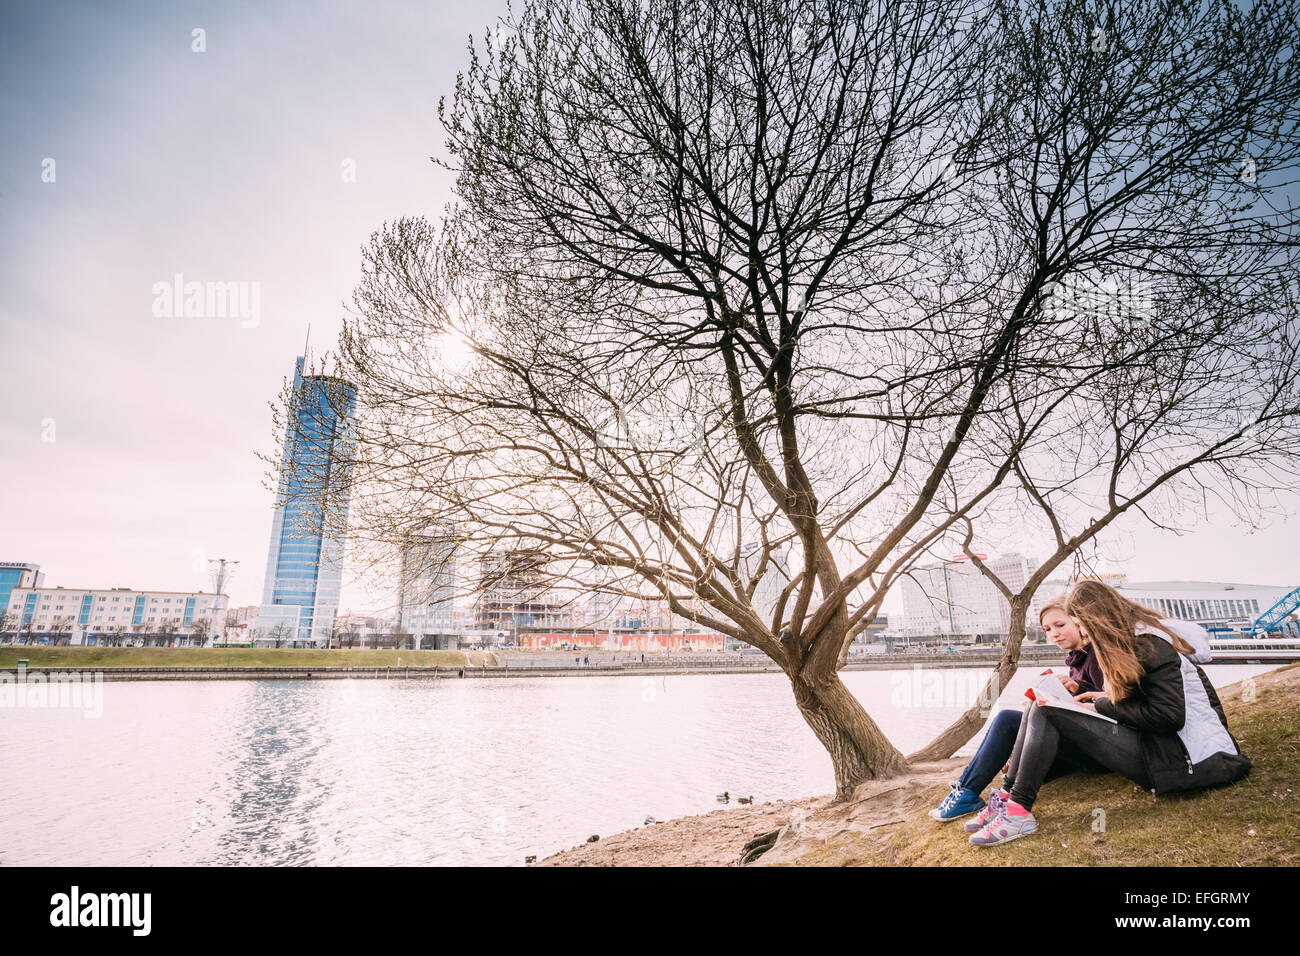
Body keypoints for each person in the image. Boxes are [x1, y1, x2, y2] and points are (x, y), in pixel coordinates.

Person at [968, 580, 1250, 847]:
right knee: (1039, 704)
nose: (1084, 634)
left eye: (1081, 625)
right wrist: (1103, 697)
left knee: (1047, 709)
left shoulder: (1150, 645)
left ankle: (1017, 810)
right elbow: (1146, 700)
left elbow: (1169, 717)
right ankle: (1008, 801)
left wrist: (1102, 705)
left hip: (1192, 761)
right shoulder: (1132, 643)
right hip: (1161, 749)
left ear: (1096, 618)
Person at [930, 597, 1103, 822]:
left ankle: (968, 793)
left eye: (1060, 625)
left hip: (1098, 749)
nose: (1054, 634)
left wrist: (1061, 701)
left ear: (1079, 623)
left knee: (1006, 719)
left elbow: (1106, 706)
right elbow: (1087, 695)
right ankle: (966, 789)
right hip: (1077, 740)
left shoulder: (1098, 656)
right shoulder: (1076, 660)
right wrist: (1069, 690)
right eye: (1048, 629)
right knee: (1017, 716)